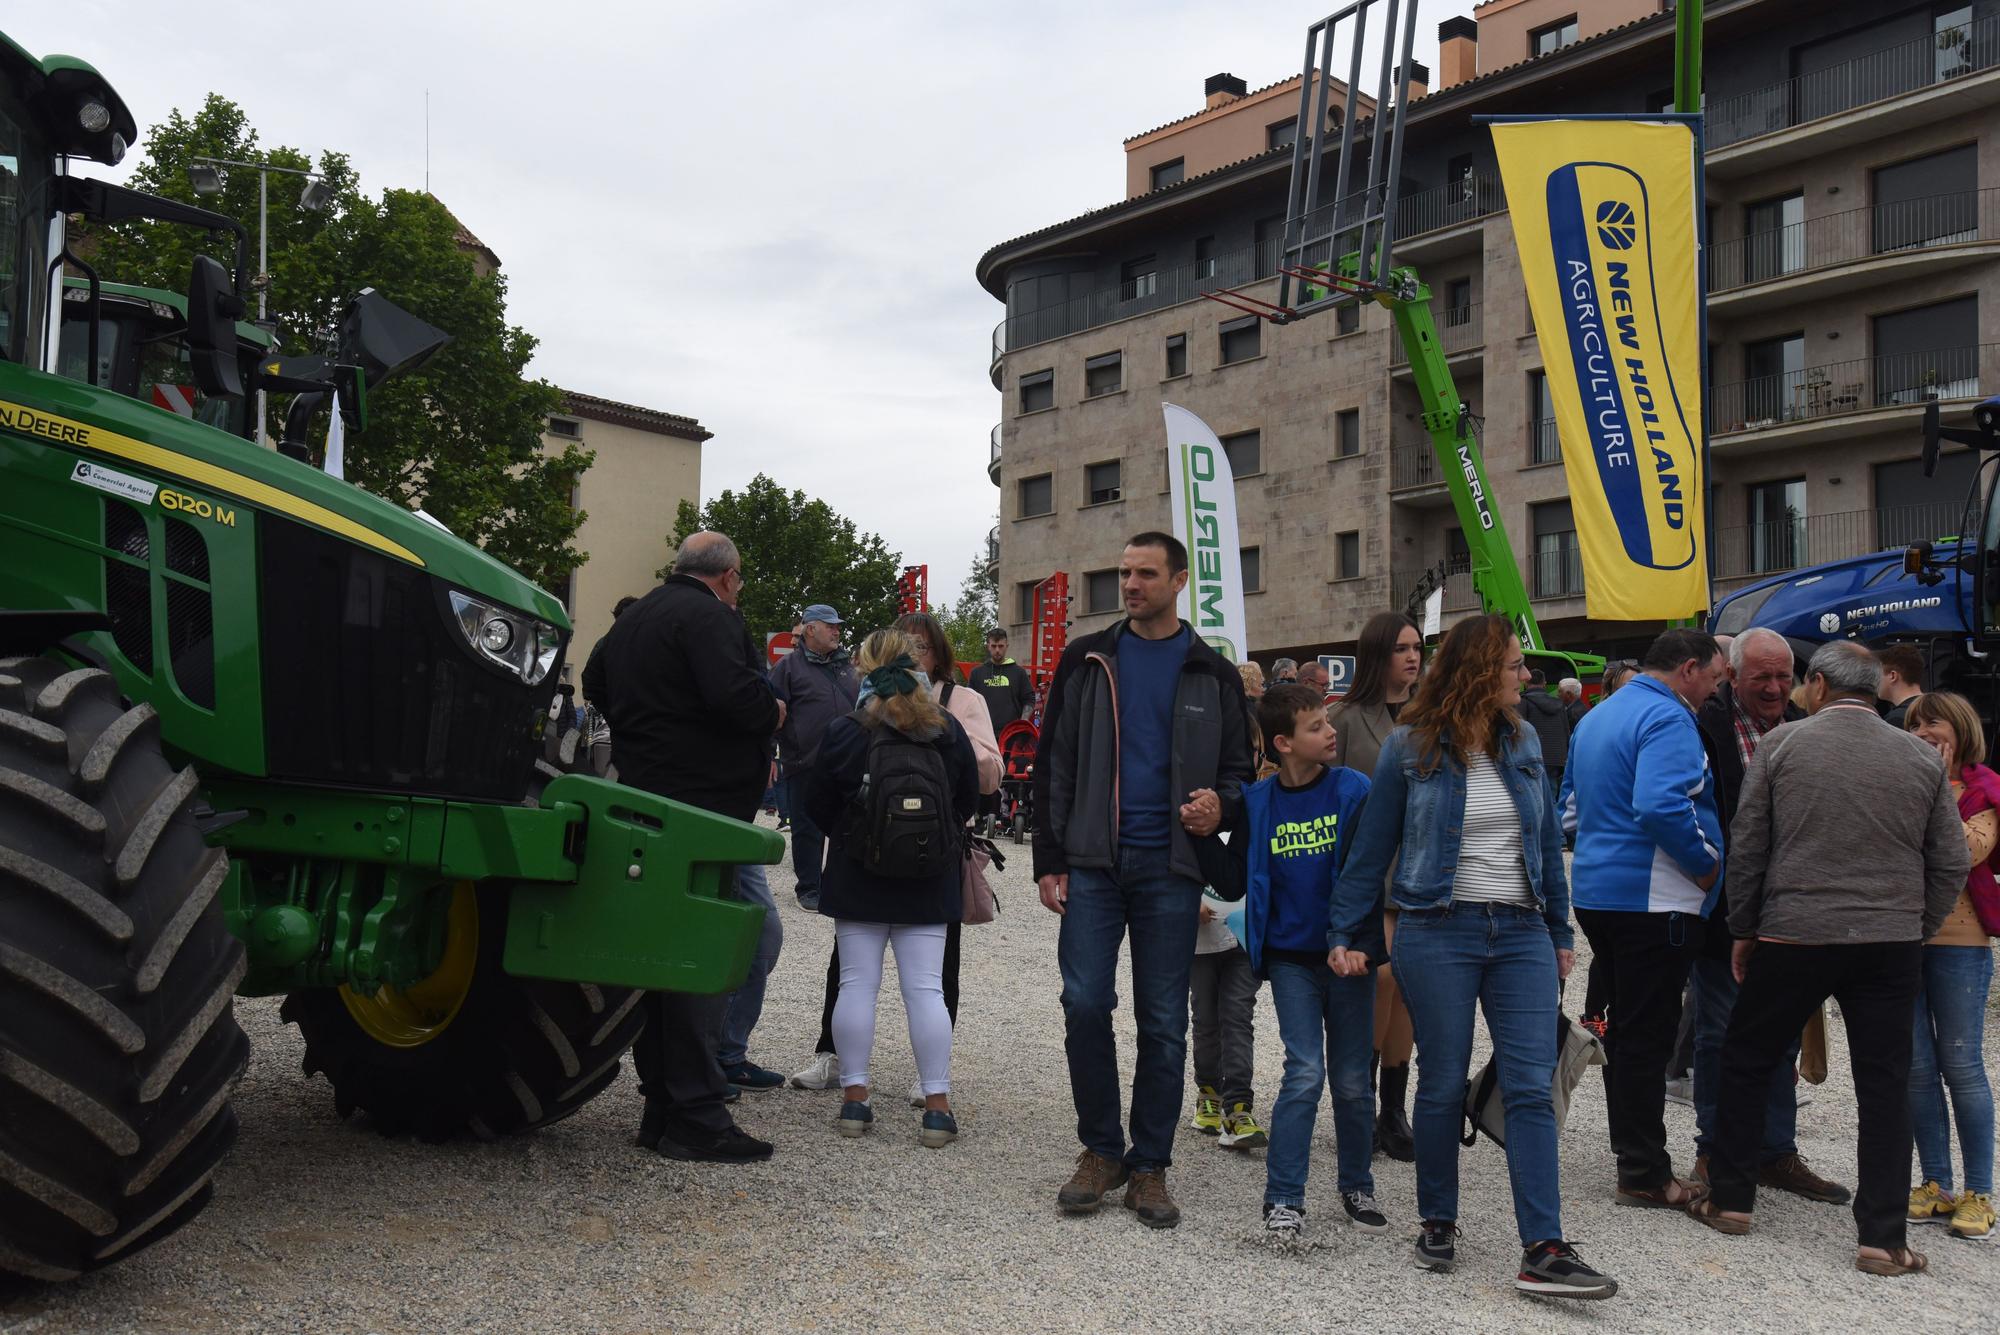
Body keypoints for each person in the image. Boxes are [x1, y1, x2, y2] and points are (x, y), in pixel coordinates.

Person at [1329, 614, 1613, 1299]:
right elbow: (1369, 854)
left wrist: (1560, 929)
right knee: (1442, 1080)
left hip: (1519, 933)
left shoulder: (1521, 740)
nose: (1525, 676)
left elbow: (1544, 844)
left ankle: (1543, 1245)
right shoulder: (1410, 748)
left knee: (1531, 1086)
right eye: (1515, 664)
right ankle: (1438, 1217)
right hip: (1437, 928)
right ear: (1482, 669)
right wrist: (1346, 933)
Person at [1694, 643, 1968, 1278]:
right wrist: (1916, 926)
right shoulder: (1919, 757)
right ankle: (1882, 1237)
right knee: (1884, 1083)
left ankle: (1732, 1199)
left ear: (1815, 685)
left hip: (1794, 933)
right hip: (1888, 942)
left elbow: (1750, 845)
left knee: (1748, 1060)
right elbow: (1950, 860)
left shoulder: (1781, 747)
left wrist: (1744, 927)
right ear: (1875, 690)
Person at [1037, 531, 1255, 1229]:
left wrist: (1222, 803)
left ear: (1179, 580)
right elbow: (1053, 766)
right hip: (1095, 865)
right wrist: (1050, 858)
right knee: (1083, 1002)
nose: (1130, 584)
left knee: (1162, 1021)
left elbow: (1239, 775)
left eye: (1145, 573)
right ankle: (1100, 1151)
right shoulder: (1086, 658)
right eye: (1124, 572)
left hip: (1171, 869)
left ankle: (1150, 1165)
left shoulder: (1212, 672)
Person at [581, 531, 780, 1163]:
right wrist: (772, 710)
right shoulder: (713, 618)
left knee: (660, 956)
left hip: (648, 795)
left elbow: (594, 679)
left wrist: (649, 734)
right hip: (704, 807)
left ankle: (663, 1107)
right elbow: (734, 698)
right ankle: (695, 1111)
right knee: (697, 955)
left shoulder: (636, 617)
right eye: (740, 580)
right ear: (726, 578)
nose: (739, 589)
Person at [791, 612, 1002, 1097]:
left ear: (866, 669)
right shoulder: (946, 727)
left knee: (855, 986)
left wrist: (853, 837)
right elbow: (968, 798)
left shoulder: (849, 728)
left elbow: (817, 803)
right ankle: (935, 1100)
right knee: (927, 989)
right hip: (930, 874)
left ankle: (855, 1097)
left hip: (857, 874)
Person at [1566, 628, 1727, 1215]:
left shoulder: (1598, 716)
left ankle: (1635, 1160)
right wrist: (1708, 866)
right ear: (1688, 669)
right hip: (1655, 897)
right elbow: (1661, 804)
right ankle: (1644, 1171)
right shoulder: (1669, 719)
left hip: (1599, 889)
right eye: (1713, 678)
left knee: (1629, 1032)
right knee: (1647, 1036)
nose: (1714, 691)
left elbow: (1572, 806)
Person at [1690, 627, 1847, 1202]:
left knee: (1782, 1037)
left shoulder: (1808, 732)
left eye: (1786, 676)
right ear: (1732, 677)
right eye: (1763, 677)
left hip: (1796, 912)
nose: (1777, 687)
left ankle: (1775, 1152)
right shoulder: (1703, 729)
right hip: (1726, 912)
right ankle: (1714, 1149)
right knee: (1719, 1034)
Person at [1246, 684, 1380, 1242]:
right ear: (1283, 743)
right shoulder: (1257, 801)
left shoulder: (1354, 790)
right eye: (1315, 726)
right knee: (1304, 1071)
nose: (1329, 732)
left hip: (1349, 958)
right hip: (1290, 960)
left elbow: (1373, 872)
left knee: (1352, 1079)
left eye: (1328, 722)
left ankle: (1355, 1182)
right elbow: (1232, 862)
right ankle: (1284, 1199)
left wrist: (1364, 944)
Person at [1900, 691, 1998, 1243]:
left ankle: (1979, 1192)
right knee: (1915, 1067)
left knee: (1961, 1065)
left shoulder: (1983, 789)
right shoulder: (1902, 785)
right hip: (1902, 939)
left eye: (1931, 724)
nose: (1920, 734)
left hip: (1960, 941)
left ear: (1960, 731)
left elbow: (1964, 851)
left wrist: (1935, 791)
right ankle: (1935, 1182)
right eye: (1913, 726)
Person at [1329, 610, 1423, 1163]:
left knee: (1407, 986)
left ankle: (1393, 1109)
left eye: (1417, 647)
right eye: (1401, 648)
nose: (1412, 657)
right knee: (1380, 979)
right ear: (1377, 655)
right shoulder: (1343, 720)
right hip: (1367, 874)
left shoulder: (1433, 716)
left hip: (1423, 874)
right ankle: (1358, 1104)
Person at [770, 604, 861, 912]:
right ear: (810, 629)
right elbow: (773, 712)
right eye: (830, 625)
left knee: (847, 823)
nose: (837, 630)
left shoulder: (848, 667)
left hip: (848, 761)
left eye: (838, 626)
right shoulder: (788, 668)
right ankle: (809, 887)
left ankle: (839, 883)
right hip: (805, 760)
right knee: (807, 828)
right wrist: (773, 752)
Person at [1517, 667, 1572, 795]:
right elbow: (1566, 731)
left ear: (1526, 683)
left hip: (1532, 756)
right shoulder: (1559, 704)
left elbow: (1519, 731)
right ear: (1544, 684)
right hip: (1556, 758)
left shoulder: (1523, 702)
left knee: (1535, 795)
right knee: (1551, 794)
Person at [1876, 644, 1925, 731]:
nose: (1875, 680)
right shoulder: (1941, 708)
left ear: (1892, 676)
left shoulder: (1897, 719)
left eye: (1878, 674)